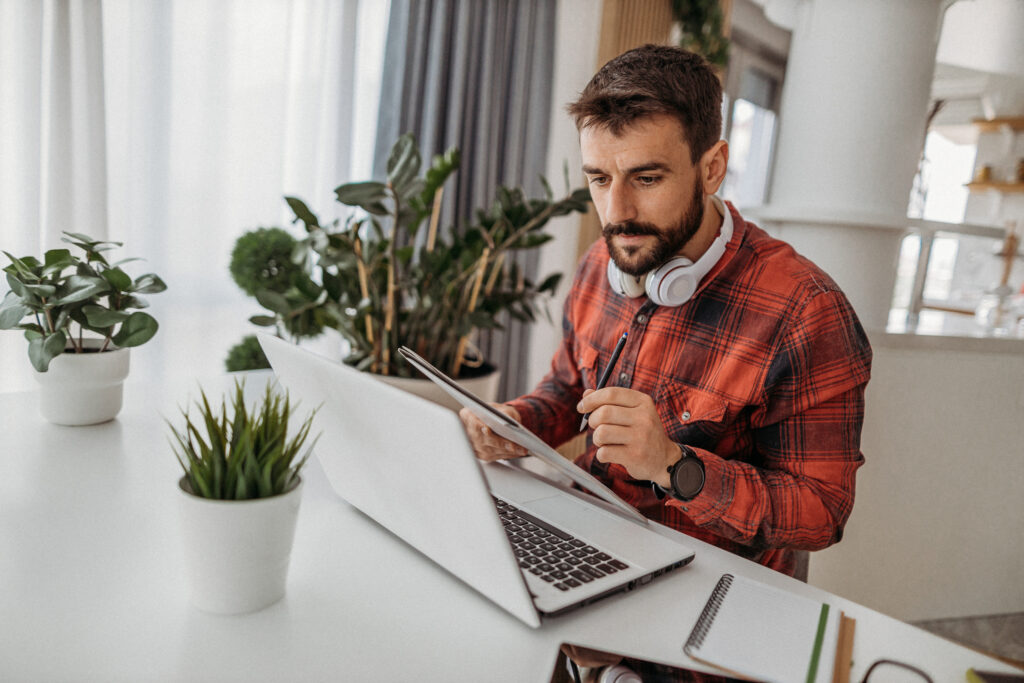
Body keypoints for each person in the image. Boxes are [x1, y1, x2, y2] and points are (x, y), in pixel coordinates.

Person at [460, 44, 872, 681]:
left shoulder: (805, 312)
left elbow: (819, 513)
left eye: (646, 179)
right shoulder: (603, 264)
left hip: (703, 631)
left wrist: (674, 467)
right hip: (586, 571)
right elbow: (568, 389)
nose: (617, 212)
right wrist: (515, 421)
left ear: (712, 167)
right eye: (599, 179)